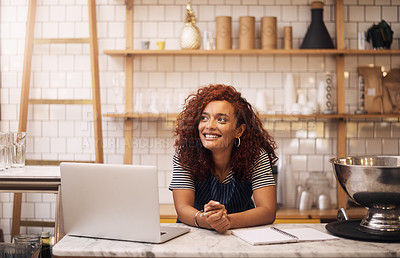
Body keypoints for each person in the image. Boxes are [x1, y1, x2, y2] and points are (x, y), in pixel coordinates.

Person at [169, 84, 278, 233]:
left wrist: (225, 221)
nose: (209, 126)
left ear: (239, 130)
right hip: (194, 233)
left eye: (221, 120)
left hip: (242, 233)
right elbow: (182, 209)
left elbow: (267, 211)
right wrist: (205, 220)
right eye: (204, 118)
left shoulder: (256, 156)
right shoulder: (185, 154)